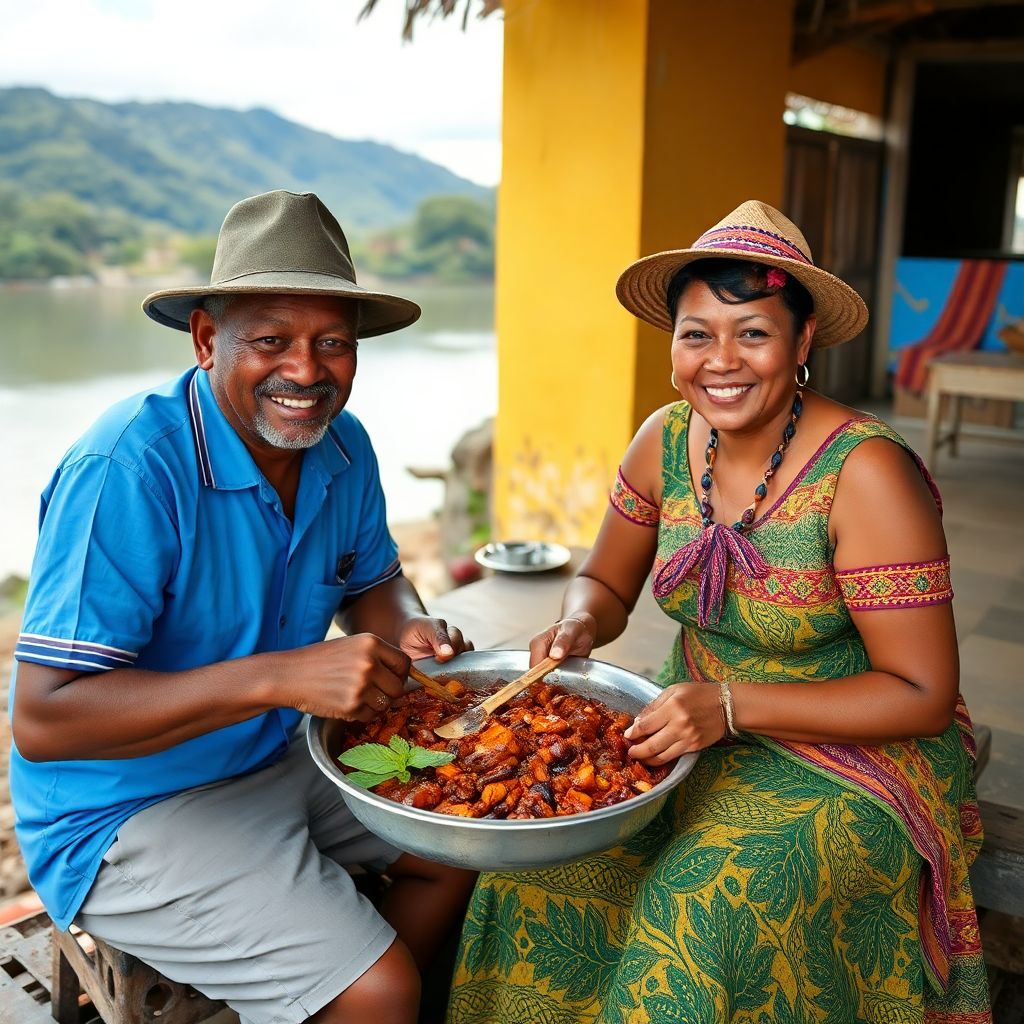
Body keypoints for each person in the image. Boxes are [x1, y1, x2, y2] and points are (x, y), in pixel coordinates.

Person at [447, 201, 990, 1023]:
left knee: (702, 910)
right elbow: (606, 580)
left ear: (803, 343)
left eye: (753, 333)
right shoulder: (665, 440)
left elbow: (918, 692)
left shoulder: (867, 472)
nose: (720, 361)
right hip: (690, 717)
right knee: (542, 868)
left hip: (858, 749)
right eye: (697, 333)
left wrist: (733, 707)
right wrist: (579, 621)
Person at [10, 190, 477, 1024]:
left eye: (332, 342)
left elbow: (370, 579)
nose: (306, 370)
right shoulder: (127, 469)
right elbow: (47, 722)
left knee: (459, 840)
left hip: (273, 755)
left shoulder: (342, 442)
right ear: (205, 339)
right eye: (271, 341)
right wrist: (279, 678)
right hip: (125, 810)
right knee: (380, 989)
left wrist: (403, 624)